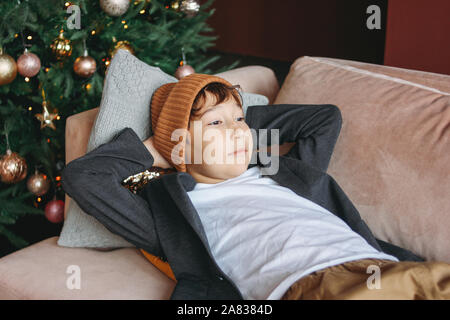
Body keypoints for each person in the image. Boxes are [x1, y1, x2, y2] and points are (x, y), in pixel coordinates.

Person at [61, 73, 450, 300]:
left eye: (240, 119)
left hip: (387, 269)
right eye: (214, 124)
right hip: (312, 287)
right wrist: (160, 147)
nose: (236, 129)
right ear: (179, 145)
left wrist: (235, 118)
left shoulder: (285, 173)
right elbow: (84, 177)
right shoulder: (174, 212)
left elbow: (324, 120)